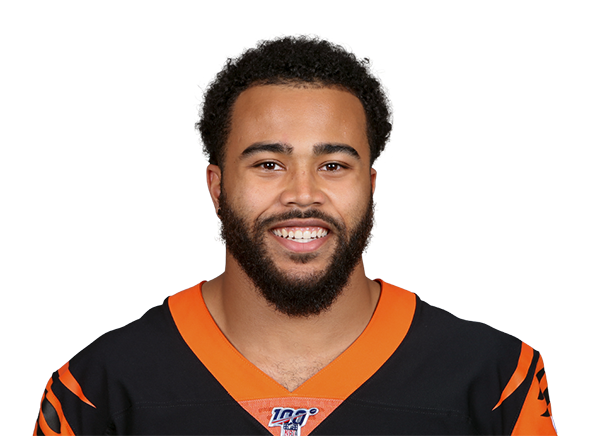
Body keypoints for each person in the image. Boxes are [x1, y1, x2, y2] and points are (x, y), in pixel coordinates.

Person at [35, 33, 557, 436]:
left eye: (334, 165)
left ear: (371, 186)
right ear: (217, 185)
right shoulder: (97, 388)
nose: (302, 194)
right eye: (268, 164)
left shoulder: (495, 380)